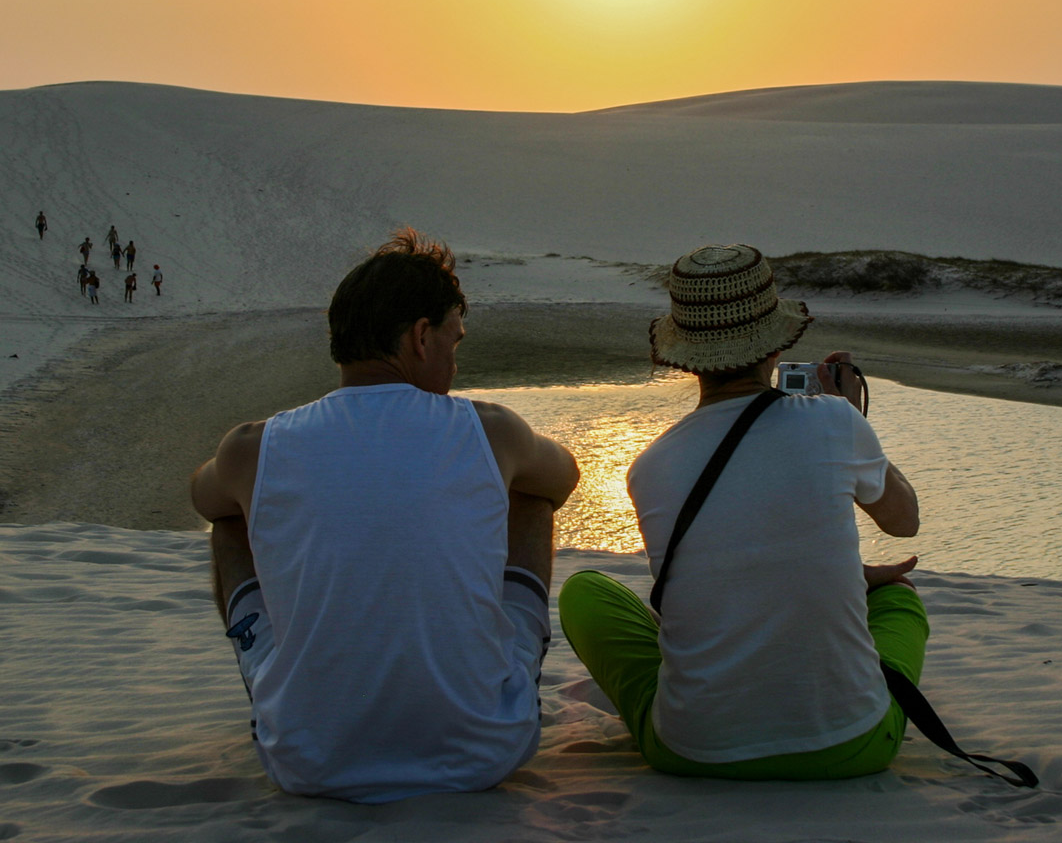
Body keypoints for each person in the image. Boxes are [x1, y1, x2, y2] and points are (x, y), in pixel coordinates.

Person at [191, 229, 579, 803]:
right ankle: (492, 675)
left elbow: (205, 499)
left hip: (309, 761)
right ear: (421, 337)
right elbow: (563, 478)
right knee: (530, 494)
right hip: (484, 751)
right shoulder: (490, 430)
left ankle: (304, 692)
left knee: (231, 518)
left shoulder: (253, 446)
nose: (454, 360)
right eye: (454, 341)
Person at [559, 243, 926, 782]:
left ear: (685, 354)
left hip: (691, 752)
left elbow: (725, 557)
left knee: (582, 591)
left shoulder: (648, 466)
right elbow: (904, 521)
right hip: (852, 748)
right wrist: (852, 415)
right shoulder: (831, 421)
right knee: (899, 599)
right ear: (774, 345)